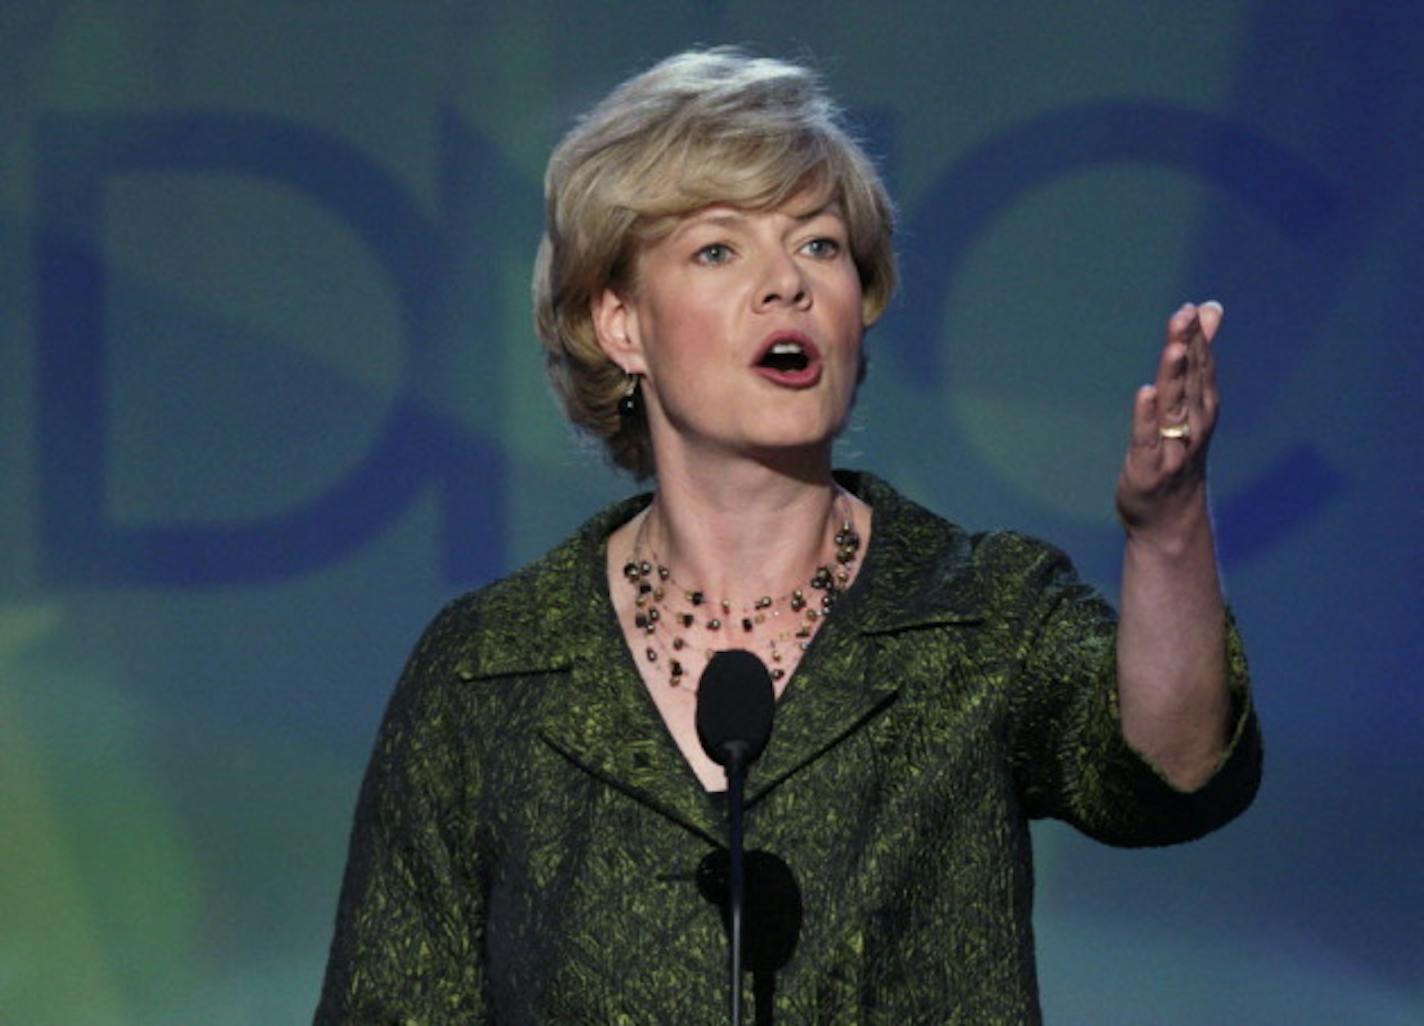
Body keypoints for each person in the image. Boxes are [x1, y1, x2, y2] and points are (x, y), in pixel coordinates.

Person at [314, 47, 1261, 1025]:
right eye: (718, 250)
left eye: (817, 245)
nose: (787, 285)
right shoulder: (491, 670)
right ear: (621, 325)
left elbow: (1173, 771)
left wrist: (1165, 528)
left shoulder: (975, 613)